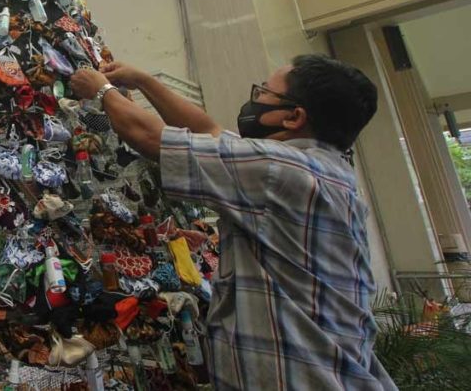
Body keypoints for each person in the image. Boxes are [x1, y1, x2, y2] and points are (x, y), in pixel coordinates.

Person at [70, 54, 396, 390]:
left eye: (264, 94)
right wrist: (143, 81)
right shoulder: (323, 169)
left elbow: (150, 138)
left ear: (294, 116)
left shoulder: (279, 170)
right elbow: (208, 130)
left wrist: (101, 91)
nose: (254, 100)